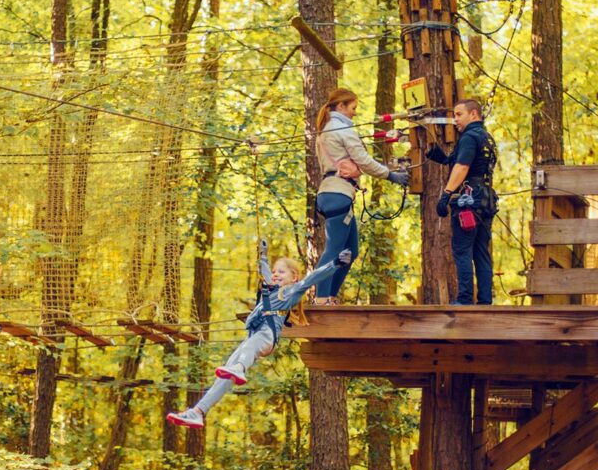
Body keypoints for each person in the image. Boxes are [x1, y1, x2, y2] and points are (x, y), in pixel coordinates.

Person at [166, 239, 352, 428]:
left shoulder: (291, 292)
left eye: (281, 271)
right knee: (224, 377)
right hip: (254, 337)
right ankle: (198, 411)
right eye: (274, 272)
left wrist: (335, 263)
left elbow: (313, 278)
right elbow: (264, 271)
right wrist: (263, 255)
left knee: (246, 351)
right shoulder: (271, 290)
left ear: (294, 277)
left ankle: (239, 368)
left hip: (266, 335)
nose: (275, 274)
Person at [313, 88, 410, 305]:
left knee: (350, 251)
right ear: (341, 107)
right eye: (353, 108)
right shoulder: (342, 129)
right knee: (334, 249)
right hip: (337, 193)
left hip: (336, 193)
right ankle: (321, 299)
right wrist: (391, 175)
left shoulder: (328, 129)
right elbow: (364, 161)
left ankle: (330, 295)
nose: (355, 113)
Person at [427, 98, 498, 305]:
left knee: (462, 249)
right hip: (485, 200)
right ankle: (485, 302)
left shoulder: (469, 136)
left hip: (469, 200)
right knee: (481, 252)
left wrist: (446, 194)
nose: (455, 119)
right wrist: (444, 158)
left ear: (473, 114)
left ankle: (465, 300)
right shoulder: (487, 138)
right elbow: (467, 163)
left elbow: (463, 167)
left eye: (459, 114)